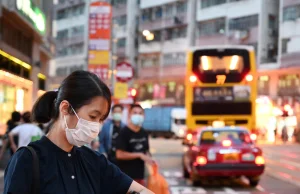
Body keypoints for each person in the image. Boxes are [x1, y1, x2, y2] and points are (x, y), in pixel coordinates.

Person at [4, 70, 153, 194]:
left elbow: (138, 190)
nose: (96, 126)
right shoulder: (28, 159)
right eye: (93, 116)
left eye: (101, 119)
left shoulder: (94, 161)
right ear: (65, 109)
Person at [116, 104, 154, 186]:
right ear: (129, 115)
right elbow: (119, 155)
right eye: (135, 113)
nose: (138, 115)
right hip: (125, 177)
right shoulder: (124, 132)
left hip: (140, 176)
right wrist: (139, 155)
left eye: (140, 113)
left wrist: (150, 159)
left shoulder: (144, 133)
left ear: (144, 115)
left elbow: (146, 151)